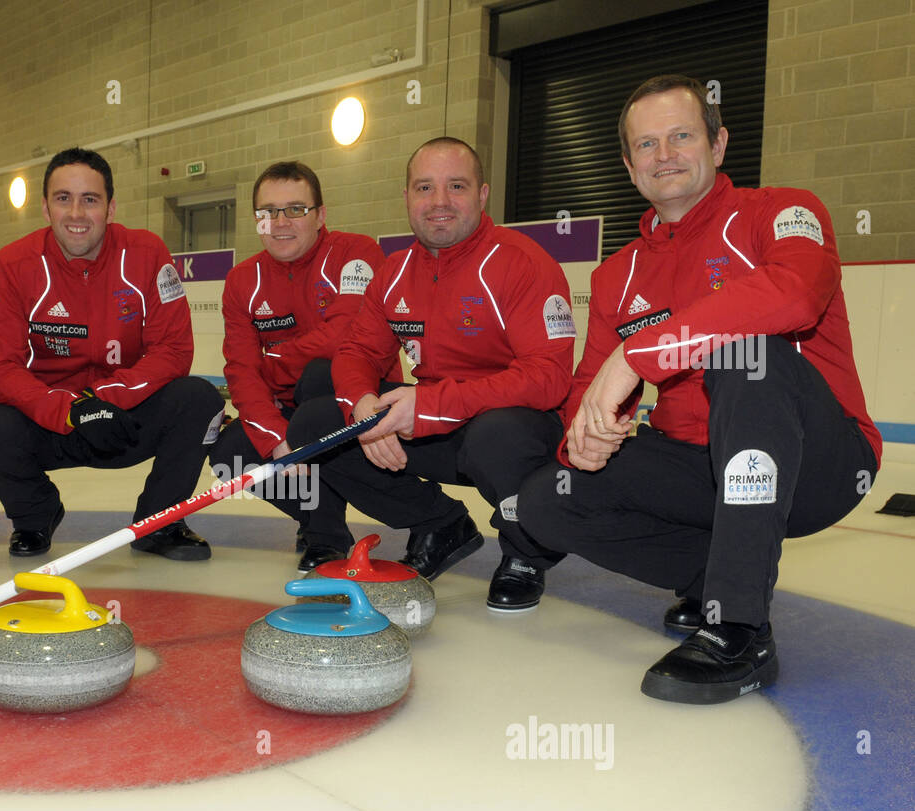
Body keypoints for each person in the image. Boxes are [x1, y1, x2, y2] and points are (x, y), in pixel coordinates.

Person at [516, 75, 881, 704]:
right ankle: (717, 575)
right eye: (647, 145)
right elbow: (588, 393)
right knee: (552, 497)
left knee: (748, 357)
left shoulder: (784, 212)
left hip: (819, 462)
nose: (666, 155)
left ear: (718, 143)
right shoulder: (615, 276)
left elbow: (793, 294)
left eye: (681, 136)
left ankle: (738, 626)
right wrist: (588, 438)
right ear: (630, 168)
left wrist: (641, 354)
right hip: (700, 466)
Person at [287, 137, 574, 608]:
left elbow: (549, 378)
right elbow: (356, 350)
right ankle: (441, 524)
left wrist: (433, 405)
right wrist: (363, 408)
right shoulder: (395, 271)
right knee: (318, 424)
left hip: (511, 428)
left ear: (482, 196)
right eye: (424, 188)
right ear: (406, 198)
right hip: (435, 422)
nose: (439, 202)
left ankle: (527, 551)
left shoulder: (522, 263)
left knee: (498, 433)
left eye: (455, 186)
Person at [0, 147, 224, 559]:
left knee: (200, 401)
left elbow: (173, 349)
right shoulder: (12, 265)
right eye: (63, 198)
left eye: (90, 199)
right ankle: (36, 515)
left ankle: (158, 523)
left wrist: (101, 401)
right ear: (46, 207)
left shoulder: (148, 253)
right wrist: (70, 410)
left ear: (111, 207)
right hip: (50, 422)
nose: (76, 213)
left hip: (123, 419)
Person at [211, 160, 390, 570]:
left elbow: (344, 336)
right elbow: (240, 368)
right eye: (267, 212)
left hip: (353, 401)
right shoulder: (242, 280)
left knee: (319, 375)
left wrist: (271, 362)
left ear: (321, 215)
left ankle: (325, 536)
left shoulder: (356, 255)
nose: (279, 223)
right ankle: (319, 521)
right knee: (229, 453)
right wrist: (276, 438)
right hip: (288, 411)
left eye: (295, 209)